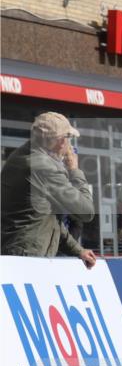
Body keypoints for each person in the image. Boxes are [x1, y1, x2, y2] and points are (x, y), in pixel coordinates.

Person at [1, 112, 97, 267]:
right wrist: (74, 170)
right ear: (60, 141)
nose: (68, 144)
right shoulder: (43, 167)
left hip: (18, 252)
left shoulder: (19, 156)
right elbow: (86, 212)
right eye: (67, 138)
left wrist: (78, 250)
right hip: (29, 258)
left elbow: (46, 218)